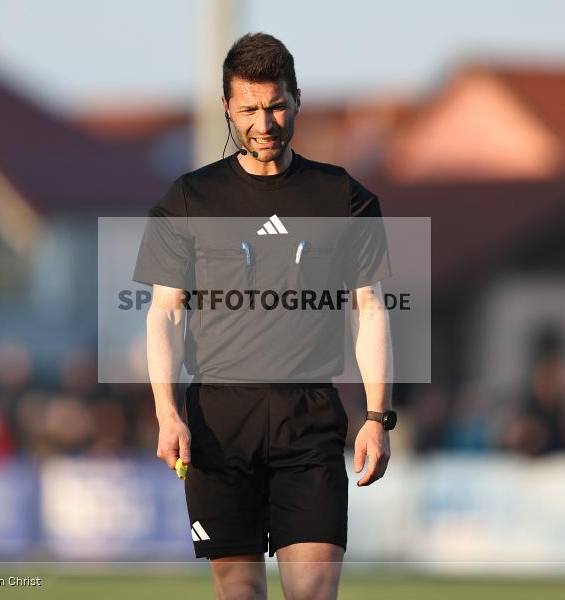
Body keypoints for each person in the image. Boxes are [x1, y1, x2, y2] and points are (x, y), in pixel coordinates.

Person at [133, 33, 396, 600]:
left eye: (276, 105)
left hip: (309, 418)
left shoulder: (344, 198)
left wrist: (377, 415)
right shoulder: (188, 199)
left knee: (313, 594)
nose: (264, 122)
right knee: (240, 593)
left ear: (297, 99)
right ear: (227, 107)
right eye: (249, 108)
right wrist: (166, 411)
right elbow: (165, 315)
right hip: (219, 421)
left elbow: (369, 310)